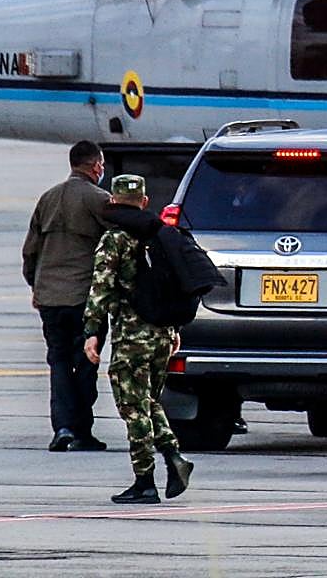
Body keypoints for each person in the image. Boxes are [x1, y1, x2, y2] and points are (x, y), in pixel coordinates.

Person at [82, 174, 193, 505]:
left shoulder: (114, 240)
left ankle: (144, 480)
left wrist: (91, 332)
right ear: (144, 202)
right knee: (150, 402)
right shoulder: (160, 237)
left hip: (132, 336)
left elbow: (100, 288)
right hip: (162, 333)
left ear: (113, 201)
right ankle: (173, 456)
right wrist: (174, 330)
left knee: (133, 408)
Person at [22, 140, 110, 452]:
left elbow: (30, 250)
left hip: (49, 297)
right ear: (96, 166)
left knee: (58, 363)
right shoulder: (100, 200)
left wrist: (35, 286)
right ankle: (82, 430)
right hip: (84, 298)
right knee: (85, 365)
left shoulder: (48, 198)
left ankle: (62, 428)